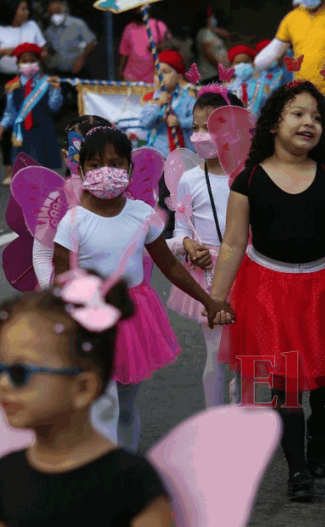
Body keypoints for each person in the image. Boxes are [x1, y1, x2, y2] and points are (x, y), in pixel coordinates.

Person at [208, 80, 325, 502]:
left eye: (316, 117)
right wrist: (216, 297)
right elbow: (233, 243)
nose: (308, 122)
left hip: (322, 288)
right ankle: (297, 469)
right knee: (287, 381)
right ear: (274, 123)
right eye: (298, 113)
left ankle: (319, 430)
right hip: (267, 289)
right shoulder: (249, 179)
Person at [52, 127, 233, 452]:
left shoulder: (142, 215)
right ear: (80, 171)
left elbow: (171, 266)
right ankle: (104, 476)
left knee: (124, 403)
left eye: (116, 164)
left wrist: (209, 300)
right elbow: (61, 278)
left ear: (130, 170)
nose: (105, 172)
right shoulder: (73, 222)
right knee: (101, 401)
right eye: (95, 165)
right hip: (90, 320)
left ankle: (125, 465)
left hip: (133, 318)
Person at [0, 280, 175, 525]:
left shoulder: (131, 482)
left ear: (83, 388)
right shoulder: (8, 474)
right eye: (0, 369)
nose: (4, 384)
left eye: (20, 372)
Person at [166, 88, 245, 409]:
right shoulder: (189, 180)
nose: (201, 135)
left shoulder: (251, 175)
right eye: (196, 127)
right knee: (217, 353)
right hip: (209, 275)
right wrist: (186, 245)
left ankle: (243, 408)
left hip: (251, 269)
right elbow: (178, 232)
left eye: (210, 128)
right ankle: (216, 420)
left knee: (247, 354)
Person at [0, 0, 46, 185]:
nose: (26, 12)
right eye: (22, 9)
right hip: (5, 80)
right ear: (11, 10)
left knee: (32, 121)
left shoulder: (32, 26)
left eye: (27, 9)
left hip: (30, 78)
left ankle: (32, 166)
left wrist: (30, 53)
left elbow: (44, 51)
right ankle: (10, 169)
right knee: (9, 122)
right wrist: (10, 50)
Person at [0, 44, 62, 170]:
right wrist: (1, 126)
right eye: (25, 61)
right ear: (18, 63)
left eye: (32, 61)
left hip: (44, 133)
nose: (29, 64)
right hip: (22, 136)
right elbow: (10, 113)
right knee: (24, 174)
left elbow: (54, 107)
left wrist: (56, 90)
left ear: (39, 62)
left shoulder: (47, 82)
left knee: (45, 173)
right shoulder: (13, 86)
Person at [140, 50, 195, 157]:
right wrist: (159, 103)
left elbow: (197, 121)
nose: (160, 77)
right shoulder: (150, 99)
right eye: (156, 73)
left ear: (179, 77)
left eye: (165, 72)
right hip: (158, 155)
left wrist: (180, 122)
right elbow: (145, 123)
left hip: (184, 155)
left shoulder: (188, 99)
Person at [44, 0, 96, 79]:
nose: (55, 16)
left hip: (79, 71)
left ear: (63, 11)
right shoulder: (49, 31)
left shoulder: (77, 24)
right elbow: (48, 50)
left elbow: (91, 42)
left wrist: (81, 58)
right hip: (59, 72)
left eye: (57, 12)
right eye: (51, 13)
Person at [119, 8, 173, 83]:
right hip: (131, 78)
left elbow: (171, 46)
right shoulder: (129, 28)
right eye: (137, 8)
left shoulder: (158, 25)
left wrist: (158, 48)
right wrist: (120, 73)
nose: (139, 11)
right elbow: (124, 54)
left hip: (153, 79)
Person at [194, 6, 230, 85]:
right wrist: (220, 68)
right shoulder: (203, 33)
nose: (213, 18)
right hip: (211, 75)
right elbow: (208, 54)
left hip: (218, 74)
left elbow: (226, 35)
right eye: (210, 17)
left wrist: (214, 29)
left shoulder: (212, 32)